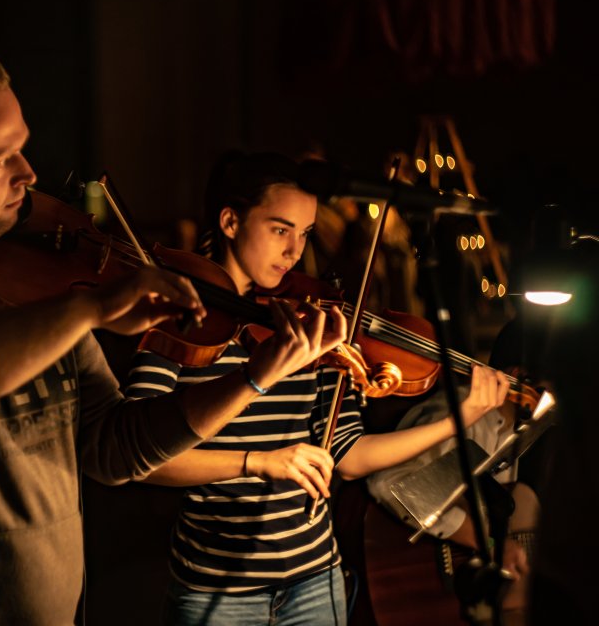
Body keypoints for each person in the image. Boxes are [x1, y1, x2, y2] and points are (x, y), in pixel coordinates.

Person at [0, 49, 346, 624]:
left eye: (22, 148)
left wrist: (254, 377)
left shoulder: (29, 282)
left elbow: (114, 447)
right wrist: (89, 310)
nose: (28, 174)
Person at [125, 151, 510, 626]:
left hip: (315, 583)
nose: (295, 252)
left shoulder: (316, 324)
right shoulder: (178, 317)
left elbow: (349, 455)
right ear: (230, 221)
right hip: (216, 593)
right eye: (280, 230)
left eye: (305, 234)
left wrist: (461, 417)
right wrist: (257, 461)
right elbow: (140, 456)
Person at [366, 322, 543, 624]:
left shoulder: (511, 431)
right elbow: (392, 486)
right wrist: (488, 544)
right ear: (520, 377)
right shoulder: (463, 413)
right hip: (400, 567)